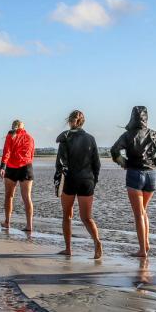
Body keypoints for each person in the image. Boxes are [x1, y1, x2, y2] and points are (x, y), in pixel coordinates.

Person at [110, 106, 156, 258]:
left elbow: (114, 151)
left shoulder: (127, 135)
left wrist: (124, 163)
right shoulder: (153, 134)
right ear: (146, 118)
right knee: (143, 211)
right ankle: (146, 244)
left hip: (134, 173)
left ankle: (142, 250)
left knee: (139, 213)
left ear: (132, 117)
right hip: (152, 175)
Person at [54, 110, 102, 259]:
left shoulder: (65, 138)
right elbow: (97, 164)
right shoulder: (91, 138)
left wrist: (57, 181)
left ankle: (68, 248)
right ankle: (97, 243)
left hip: (70, 180)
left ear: (70, 121)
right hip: (87, 181)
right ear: (83, 122)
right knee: (86, 217)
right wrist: (94, 181)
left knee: (67, 215)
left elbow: (60, 163)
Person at [0, 120, 35, 232]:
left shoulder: (10, 135)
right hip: (26, 167)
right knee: (27, 197)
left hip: (11, 167)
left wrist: (2, 166)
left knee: (9, 196)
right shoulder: (30, 137)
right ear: (23, 127)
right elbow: (31, 154)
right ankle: (29, 225)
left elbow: (7, 151)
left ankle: (7, 222)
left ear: (13, 126)